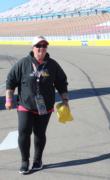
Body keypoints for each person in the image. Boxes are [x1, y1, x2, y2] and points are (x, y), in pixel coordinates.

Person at [5, 36, 69, 174]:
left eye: (44, 46)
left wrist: (65, 101)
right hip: (25, 105)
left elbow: (62, 82)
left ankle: (38, 160)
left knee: (40, 134)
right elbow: (11, 80)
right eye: (38, 46)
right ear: (33, 48)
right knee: (23, 132)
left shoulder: (52, 65)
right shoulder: (23, 64)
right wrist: (8, 99)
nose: (41, 49)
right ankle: (24, 161)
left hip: (44, 107)